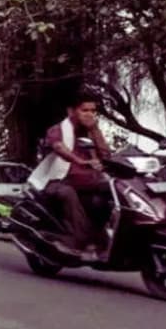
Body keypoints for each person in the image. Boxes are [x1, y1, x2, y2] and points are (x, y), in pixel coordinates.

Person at [27, 96, 112, 261]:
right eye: (85, 110)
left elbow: (106, 155)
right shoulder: (58, 129)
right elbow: (59, 147)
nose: (90, 114)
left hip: (88, 183)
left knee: (110, 193)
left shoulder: (91, 133)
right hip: (57, 181)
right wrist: (79, 161)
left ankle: (105, 237)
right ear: (71, 111)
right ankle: (81, 241)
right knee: (68, 194)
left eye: (93, 111)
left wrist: (95, 130)